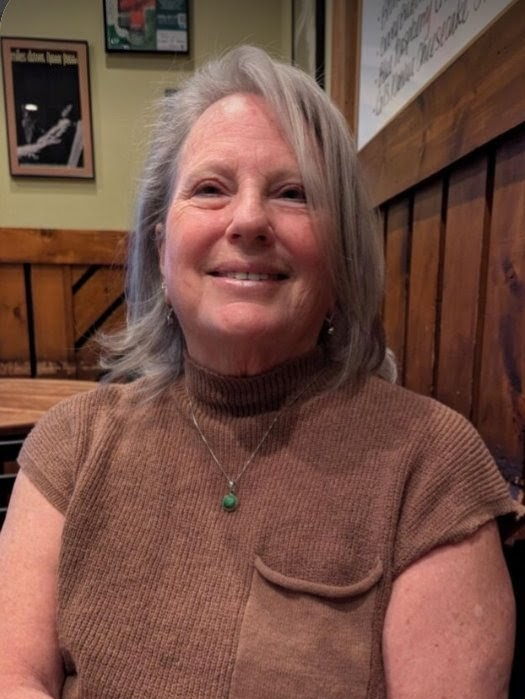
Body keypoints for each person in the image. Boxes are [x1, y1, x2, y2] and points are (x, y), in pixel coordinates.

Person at [0, 45, 521, 699]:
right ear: (161, 249)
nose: (248, 220)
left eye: (292, 193)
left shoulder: (432, 465)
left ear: (341, 257)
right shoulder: (71, 443)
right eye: (210, 189)